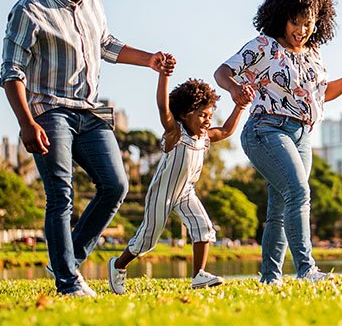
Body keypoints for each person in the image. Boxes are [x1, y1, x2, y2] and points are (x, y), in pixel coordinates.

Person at [0, 0, 175, 297]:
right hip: (49, 112)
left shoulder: (92, 1)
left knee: (116, 185)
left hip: (89, 111)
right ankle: (67, 282)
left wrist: (149, 60)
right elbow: (11, 72)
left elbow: (106, 43)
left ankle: (66, 259)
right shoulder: (29, 10)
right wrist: (26, 123)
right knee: (60, 194)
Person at [214, 0, 342, 285]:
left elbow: (319, 93)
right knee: (298, 192)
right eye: (295, 22)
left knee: (279, 209)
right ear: (281, 17)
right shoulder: (264, 46)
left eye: (308, 24)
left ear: (318, 22)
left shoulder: (313, 52)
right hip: (266, 130)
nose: (301, 30)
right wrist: (234, 90)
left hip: (301, 136)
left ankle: (270, 279)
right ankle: (307, 270)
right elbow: (222, 72)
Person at [107, 65, 251, 293]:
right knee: (147, 239)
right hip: (163, 193)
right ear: (184, 114)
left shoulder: (204, 137)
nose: (207, 121)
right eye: (202, 115)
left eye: (210, 116)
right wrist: (164, 76)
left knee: (203, 228)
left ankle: (198, 276)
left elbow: (225, 131)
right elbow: (163, 107)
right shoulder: (175, 133)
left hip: (186, 193)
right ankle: (118, 265)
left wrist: (240, 106)